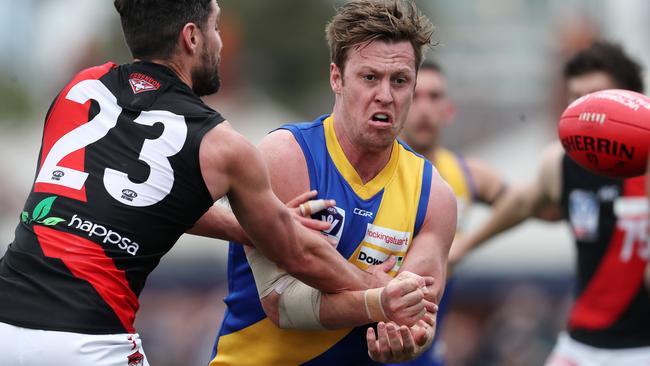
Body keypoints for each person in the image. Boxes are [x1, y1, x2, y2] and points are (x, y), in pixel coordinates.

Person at [0, 1, 431, 365]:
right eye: (216, 26)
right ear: (192, 37)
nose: (221, 41)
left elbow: (138, 197)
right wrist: (380, 292)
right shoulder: (221, 145)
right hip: (88, 339)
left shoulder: (79, 87)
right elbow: (298, 255)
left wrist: (259, 224)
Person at [209, 1, 457, 365]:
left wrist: (411, 338)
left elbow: (417, 316)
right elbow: (283, 302)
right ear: (336, 78)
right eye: (370, 77)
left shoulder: (434, 196)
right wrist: (380, 298)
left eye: (400, 81)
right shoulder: (286, 156)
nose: (385, 95)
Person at [450, 41, 650, 365]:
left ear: (633, 101)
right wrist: (464, 246)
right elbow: (524, 202)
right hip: (580, 345)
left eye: (596, 99)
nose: (587, 113)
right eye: (576, 100)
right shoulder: (560, 165)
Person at [397, 60, 508, 366]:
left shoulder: (467, 174)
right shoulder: (373, 173)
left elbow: (527, 204)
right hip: (367, 345)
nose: (424, 108)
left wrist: (467, 244)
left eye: (434, 97)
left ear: (449, 109)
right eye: (415, 96)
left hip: (426, 351)